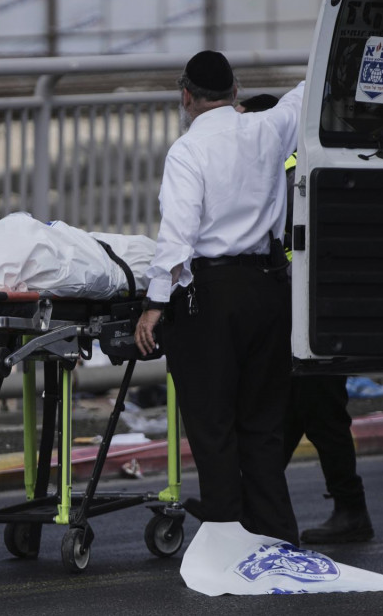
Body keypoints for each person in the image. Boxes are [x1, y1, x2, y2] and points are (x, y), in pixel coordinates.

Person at [134, 50, 304, 545]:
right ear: (235, 92)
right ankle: (277, 537)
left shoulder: (188, 151)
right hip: (268, 290)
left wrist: (154, 304)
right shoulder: (269, 128)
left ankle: (227, 538)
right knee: (263, 425)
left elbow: (178, 234)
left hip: (207, 297)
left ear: (186, 97)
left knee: (213, 427)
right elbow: (304, 93)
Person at [236, 92, 374, 544]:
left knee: (318, 408)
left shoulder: (286, 171)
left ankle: (351, 509)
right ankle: (254, 502)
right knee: (295, 406)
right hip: (312, 306)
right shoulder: (298, 163)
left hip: (314, 309)